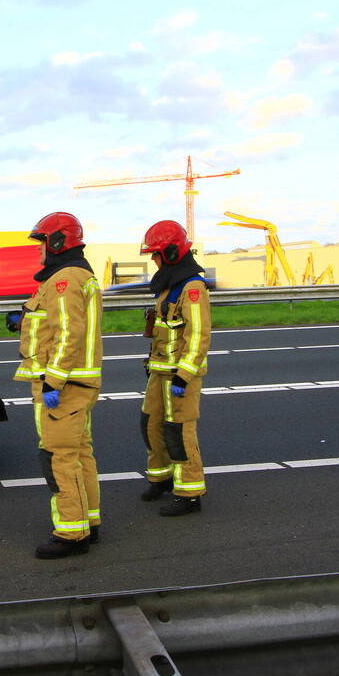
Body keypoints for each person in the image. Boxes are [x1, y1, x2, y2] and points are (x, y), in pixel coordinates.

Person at [12, 212, 103, 559]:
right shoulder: (74, 275)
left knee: (58, 459)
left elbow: (69, 333)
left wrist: (53, 380)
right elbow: (55, 325)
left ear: (58, 242)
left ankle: (71, 533)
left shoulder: (64, 279)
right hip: (76, 383)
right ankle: (88, 522)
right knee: (80, 455)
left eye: (41, 243)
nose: (39, 252)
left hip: (63, 387)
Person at [139, 220, 211, 516]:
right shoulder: (169, 285)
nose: (153, 260)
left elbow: (198, 336)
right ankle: (161, 478)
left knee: (179, 432)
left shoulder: (192, 287)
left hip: (180, 376)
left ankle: (190, 493)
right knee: (151, 425)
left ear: (170, 253)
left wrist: (184, 374)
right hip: (160, 371)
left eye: (156, 254)